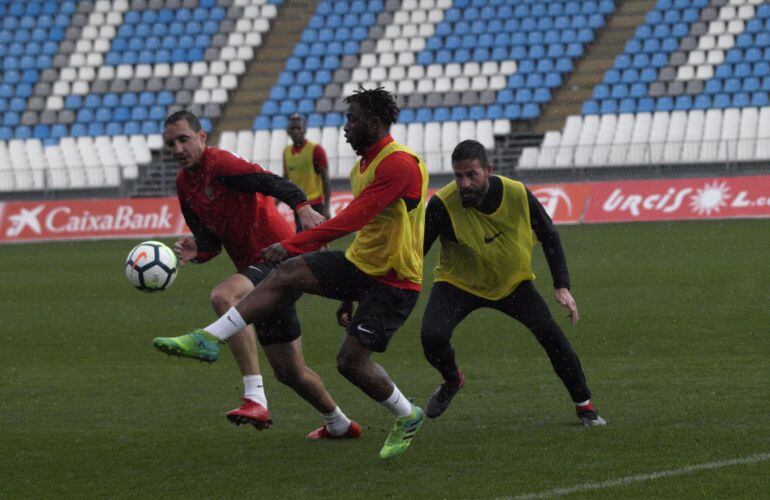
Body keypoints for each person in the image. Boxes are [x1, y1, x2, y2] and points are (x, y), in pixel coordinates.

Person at [153, 88, 430, 459]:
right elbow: (369, 234)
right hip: (363, 266)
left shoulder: (399, 164)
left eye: (352, 120)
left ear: (375, 124)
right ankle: (211, 339)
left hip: (395, 280)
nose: (345, 128)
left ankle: (406, 414)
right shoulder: (364, 165)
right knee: (288, 283)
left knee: (350, 362)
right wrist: (346, 291)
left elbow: (352, 220)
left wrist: (294, 239)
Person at [154, 110, 361, 440]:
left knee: (224, 296)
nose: (178, 149)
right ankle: (338, 423)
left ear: (202, 138)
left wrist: (302, 207)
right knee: (289, 371)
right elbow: (210, 241)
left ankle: (254, 397)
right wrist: (199, 250)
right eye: (171, 144)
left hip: (281, 255)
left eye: (184, 139)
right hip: (256, 268)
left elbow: (270, 181)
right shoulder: (184, 185)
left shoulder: (220, 164)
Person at [420, 139, 607, 427]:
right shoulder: (442, 205)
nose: (464, 184)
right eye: (458, 176)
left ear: (489, 170)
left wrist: (562, 285)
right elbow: (416, 251)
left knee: (552, 338)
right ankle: (452, 380)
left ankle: (585, 407)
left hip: (512, 284)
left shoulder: (516, 193)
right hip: (458, 284)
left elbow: (548, 233)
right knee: (431, 337)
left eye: (472, 175)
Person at [283, 113, 331, 230]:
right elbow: (285, 179)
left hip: (315, 204)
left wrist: (327, 207)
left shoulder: (316, 150)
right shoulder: (286, 152)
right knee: (302, 242)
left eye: (298, 128)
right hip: (298, 205)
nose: (295, 132)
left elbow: (325, 179)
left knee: (318, 243)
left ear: (304, 130)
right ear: (288, 131)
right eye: (292, 128)